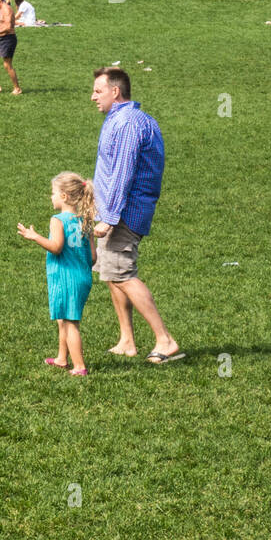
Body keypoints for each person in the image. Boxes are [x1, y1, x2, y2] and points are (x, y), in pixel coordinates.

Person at [90, 67, 182, 363]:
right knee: (112, 275)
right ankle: (127, 340)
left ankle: (165, 340)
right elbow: (113, 168)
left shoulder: (128, 123)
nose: (93, 97)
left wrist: (110, 217)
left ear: (115, 92)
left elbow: (124, 173)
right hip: (115, 209)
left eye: (98, 91)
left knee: (124, 275)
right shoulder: (122, 119)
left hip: (124, 213)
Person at [17, 173, 96, 376]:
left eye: (53, 193)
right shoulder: (85, 220)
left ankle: (79, 366)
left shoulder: (57, 220)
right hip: (82, 278)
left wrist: (34, 237)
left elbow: (56, 247)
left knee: (70, 323)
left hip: (65, 278)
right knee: (64, 319)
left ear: (63, 196)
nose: (50, 197)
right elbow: (94, 257)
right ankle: (62, 358)